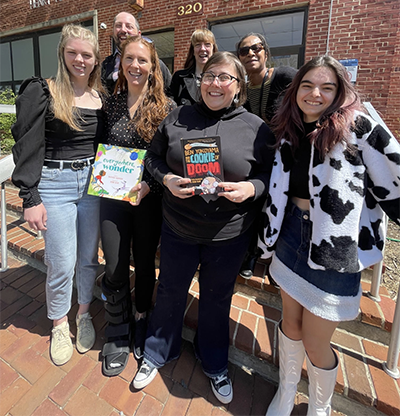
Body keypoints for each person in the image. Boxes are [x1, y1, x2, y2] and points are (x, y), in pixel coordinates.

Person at [258, 56, 400, 416]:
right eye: (307, 85)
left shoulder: (358, 127)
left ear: (340, 91)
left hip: (335, 245)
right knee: (290, 323)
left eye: (327, 87)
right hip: (291, 233)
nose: (315, 94)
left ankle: (320, 406)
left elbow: (394, 174)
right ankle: (286, 392)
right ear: (296, 89)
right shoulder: (287, 126)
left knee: (317, 339)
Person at [132, 52, 275, 404]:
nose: (215, 83)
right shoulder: (178, 117)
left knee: (216, 300)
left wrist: (251, 189)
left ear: (238, 86)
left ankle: (214, 361)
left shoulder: (256, 128)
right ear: (200, 80)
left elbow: (271, 176)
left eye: (225, 78)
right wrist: (165, 178)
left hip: (227, 236)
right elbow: (152, 157)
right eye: (210, 76)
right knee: (169, 292)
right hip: (179, 228)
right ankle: (156, 351)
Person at [11, 24, 104, 366]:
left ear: (95, 60)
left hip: (93, 183)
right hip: (55, 182)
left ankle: (83, 314)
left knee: (88, 257)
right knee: (61, 262)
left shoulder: (100, 97)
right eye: (73, 53)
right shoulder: (44, 91)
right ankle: (59, 323)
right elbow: (26, 142)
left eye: (87, 54)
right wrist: (30, 197)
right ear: (62, 54)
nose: (80, 59)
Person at [100, 35, 175, 376]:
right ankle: (118, 327)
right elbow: (100, 149)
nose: (135, 66)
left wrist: (151, 184)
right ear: (121, 63)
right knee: (114, 265)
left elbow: (171, 160)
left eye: (142, 60)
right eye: (129, 59)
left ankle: (141, 317)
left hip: (148, 200)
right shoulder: (110, 104)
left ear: (153, 66)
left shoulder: (167, 108)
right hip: (113, 199)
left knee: (144, 264)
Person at [236, 32, 296, 278]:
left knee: (284, 208)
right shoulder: (242, 89)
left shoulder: (283, 77)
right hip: (259, 157)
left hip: (286, 158)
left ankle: (279, 262)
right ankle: (252, 254)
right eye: (244, 50)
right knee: (257, 205)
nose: (251, 53)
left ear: (265, 52)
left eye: (256, 47)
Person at [101, 11, 172, 95]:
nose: (123, 29)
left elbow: (170, 93)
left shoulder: (156, 64)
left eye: (129, 26)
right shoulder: (105, 65)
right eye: (118, 25)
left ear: (139, 34)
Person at [168, 28, 218, 106]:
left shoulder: (221, 79)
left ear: (213, 49)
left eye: (207, 44)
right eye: (198, 45)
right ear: (193, 51)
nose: (202, 48)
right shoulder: (179, 78)